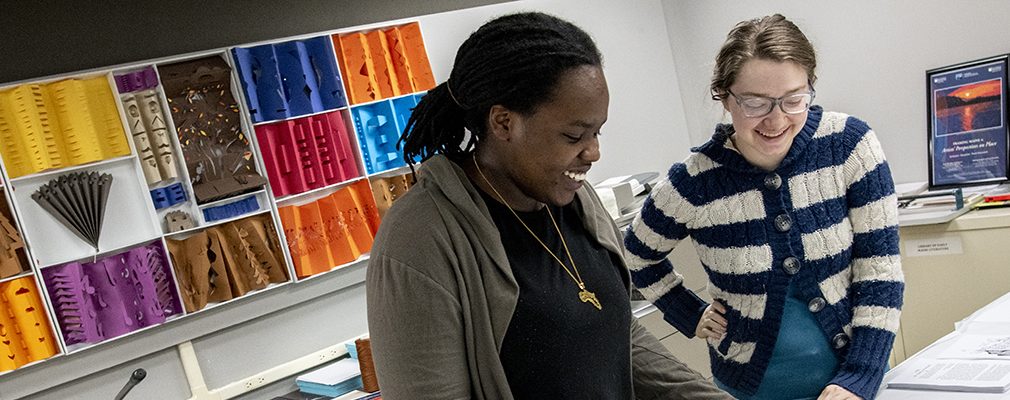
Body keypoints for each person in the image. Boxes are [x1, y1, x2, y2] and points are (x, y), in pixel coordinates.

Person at [366, 11, 731, 400]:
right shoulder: (420, 239)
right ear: (503, 123)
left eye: (597, 131)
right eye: (574, 135)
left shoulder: (575, 198)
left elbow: (614, 336)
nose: (593, 152)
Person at [624, 14, 904, 400]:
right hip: (751, 388)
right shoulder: (693, 183)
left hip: (856, 382)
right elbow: (636, 254)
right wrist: (689, 312)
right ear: (724, 96)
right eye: (755, 103)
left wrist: (858, 378)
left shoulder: (850, 146)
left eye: (794, 100)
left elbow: (881, 270)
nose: (776, 120)